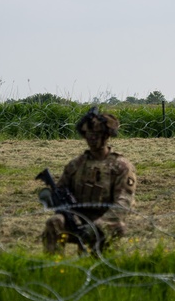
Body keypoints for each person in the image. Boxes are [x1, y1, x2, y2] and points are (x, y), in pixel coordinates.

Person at [39, 107, 137, 254]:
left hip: (105, 220)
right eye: (88, 134)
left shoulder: (120, 167)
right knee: (55, 222)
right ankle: (53, 265)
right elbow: (59, 191)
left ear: (106, 136)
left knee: (116, 229)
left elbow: (123, 203)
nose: (92, 138)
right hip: (77, 217)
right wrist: (49, 197)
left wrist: (97, 226)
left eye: (97, 134)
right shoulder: (76, 165)